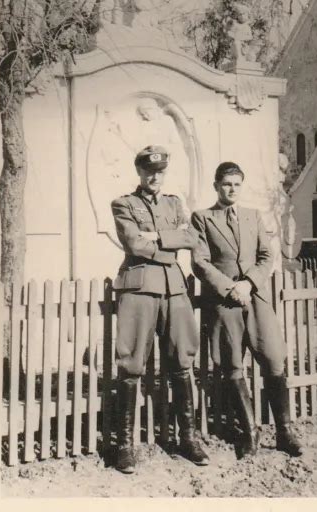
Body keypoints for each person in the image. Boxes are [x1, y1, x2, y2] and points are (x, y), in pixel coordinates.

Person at [191, 162, 303, 458]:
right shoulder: (202, 218)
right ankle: (249, 433)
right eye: (226, 184)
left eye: (237, 184)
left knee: (274, 359)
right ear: (216, 186)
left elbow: (267, 255)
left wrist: (248, 284)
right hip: (224, 302)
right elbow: (199, 262)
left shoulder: (254, 217)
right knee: (230, 366)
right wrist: (230, 288)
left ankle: (284, 432)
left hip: (256, 297)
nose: (232, 189)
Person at [111, 145, 209, 474]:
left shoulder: (174, 203)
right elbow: (133, 243)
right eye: (149, 171)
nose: (155, 177)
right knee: (131, 363)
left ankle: (189, 438)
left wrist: (157, 236)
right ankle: (125, 445)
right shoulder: (124, 203)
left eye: (160, 172)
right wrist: (169, 241)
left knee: (183, 361)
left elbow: (192, 237)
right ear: (139, 172)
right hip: (139, 288)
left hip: (174, 289)